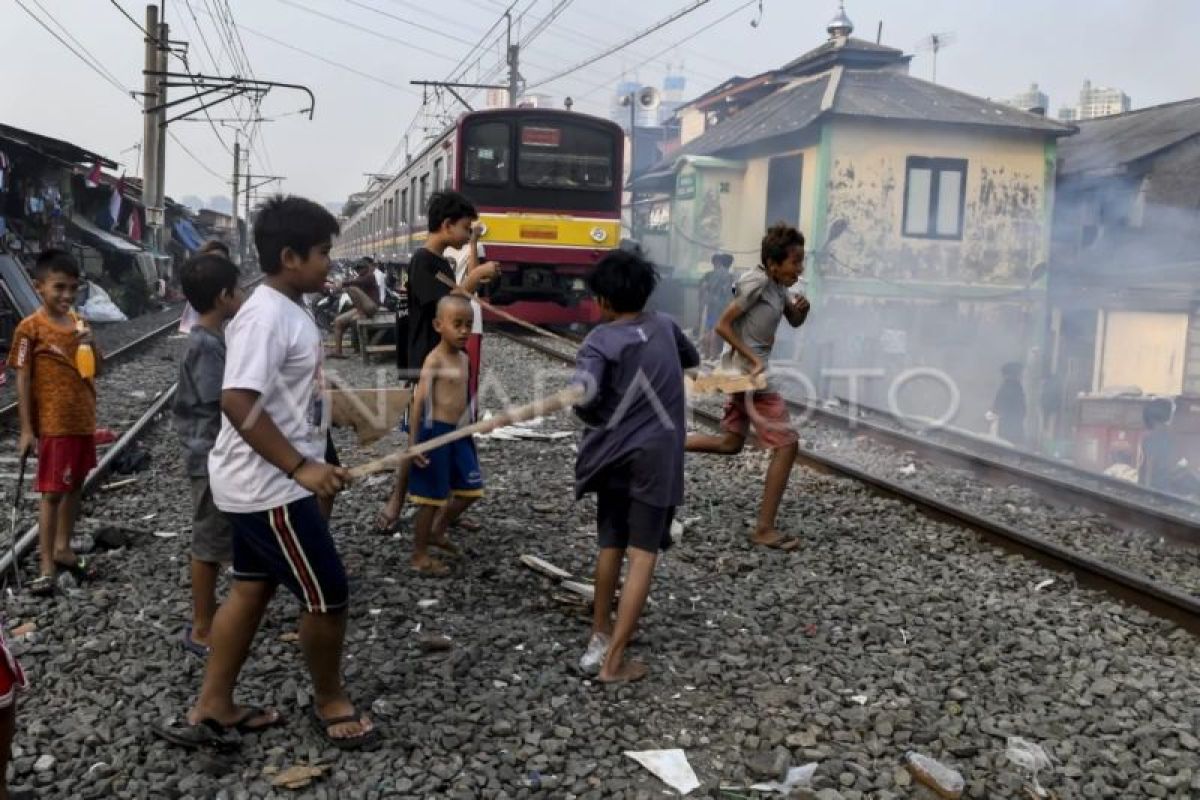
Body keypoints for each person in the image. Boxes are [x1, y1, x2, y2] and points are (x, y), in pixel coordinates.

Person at [157, 195, 377, 750]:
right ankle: (331, 702)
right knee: (328, 592)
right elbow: (236, 399)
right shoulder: (264, 316)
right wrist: (300, 466)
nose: (331, 261)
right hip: (268, 488)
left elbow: (283, 398)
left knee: (252, 589)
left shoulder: (287, 308)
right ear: (290, 256)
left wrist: (321, 448)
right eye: (324, 252)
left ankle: (213, 707)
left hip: (266, 481)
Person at [572, 248, 699, 683]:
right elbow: (691, 358)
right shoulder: (663, 325)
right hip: (656, 458)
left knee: (610, 544)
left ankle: (600, 638)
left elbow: (585, 403)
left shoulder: (597, 342)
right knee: (641, 556)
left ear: (603, 301)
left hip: (611, 456)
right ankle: (613, 664)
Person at [372, 192, 498, 535]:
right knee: (421, 441)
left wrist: (474, 253)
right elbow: (451, 305)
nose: (466, 233)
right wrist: (472, 280)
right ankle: (397, 501)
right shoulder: (422, 262)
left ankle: (448, 510)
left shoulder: (441, 263)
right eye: (464, 228)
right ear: (446, 226)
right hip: (428, 365)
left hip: (449, 366)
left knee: (455, 435)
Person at [685, 223, 810, 551]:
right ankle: (764, 529)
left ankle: (666, 442)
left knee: (730, 443)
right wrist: (754, 360)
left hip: (744, 376)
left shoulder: (778, 288)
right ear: (773, 263)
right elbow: (722, 326)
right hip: (749, 376)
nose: (800, 268)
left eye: (801, 261)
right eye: (794, 262)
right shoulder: (756, 282)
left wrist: (801, 313)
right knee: (787, 445)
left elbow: (793, 322)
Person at [8, 249, 102, 596]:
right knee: (51, 494)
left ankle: (64, 547)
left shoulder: (81, 325)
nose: (66, 295)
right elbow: (22, 377)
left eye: (73, 289)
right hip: (54, 424)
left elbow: (97, 370)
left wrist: (92, 344)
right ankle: (47, 564)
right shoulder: (29, 328)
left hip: (82, 420)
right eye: (59, 287)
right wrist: (28, 430)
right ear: (39, 287)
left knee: (75, 486)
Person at [174, 253, 246, 657]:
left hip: (214, 455)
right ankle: (202, 626)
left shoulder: (211, 339)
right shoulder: (205, 346)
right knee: (209, 542)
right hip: (209, 457)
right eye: (238, 289)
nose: (243, 295)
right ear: (223, 297)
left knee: (218, 538)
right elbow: (222, 400)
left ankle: (213, 614)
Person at [405, 295, 485, 575]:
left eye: (469, 325)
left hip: (460, 432)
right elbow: (419, 402)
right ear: (439, 325)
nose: (464, 331)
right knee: (431, 498)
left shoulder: (464, 358)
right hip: (436, 432)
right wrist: (414, 444)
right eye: (458, 324)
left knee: (471, 489)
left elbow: (464, 395)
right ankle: (419, 555)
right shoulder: (434, 359)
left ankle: (439, 529)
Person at [329, 258, 386, 359]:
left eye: (360, 268)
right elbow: (352, 284)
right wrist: (335, 285)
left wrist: (342, 284)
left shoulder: (370, 276)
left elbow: (354, 283)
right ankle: (338, 351)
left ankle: (359, 348)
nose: (358, 271)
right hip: (363, 308)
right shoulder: (360, 277)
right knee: (338, 321)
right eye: (357, 269)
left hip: (372, 307)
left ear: (366, 268)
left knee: (352, 288)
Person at [698, 252, 733, 360]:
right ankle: (713, 354)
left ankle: (706, 353)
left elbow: (705, 287)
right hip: (721, 306)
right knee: (716, 329)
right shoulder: (728, 275)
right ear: (730, 263)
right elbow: (731, 291)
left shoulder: (713, 274)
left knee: (709, 327)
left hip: (711, 306)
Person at [1140, 398, 1175, 492]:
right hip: (1159, 486)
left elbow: (1149, 465)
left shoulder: (1153, 437)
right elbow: (1150, 464)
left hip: (1157, 485)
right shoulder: (1162, 436)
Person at [989, 362, 1027, 446]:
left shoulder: (1007, 387)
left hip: (1008, 426)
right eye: (1020, 373)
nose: (1021, 376)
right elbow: (1021, 408)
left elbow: (996, 407)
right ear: (1014, 375)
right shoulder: (1013, 388)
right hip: (1011, 427)